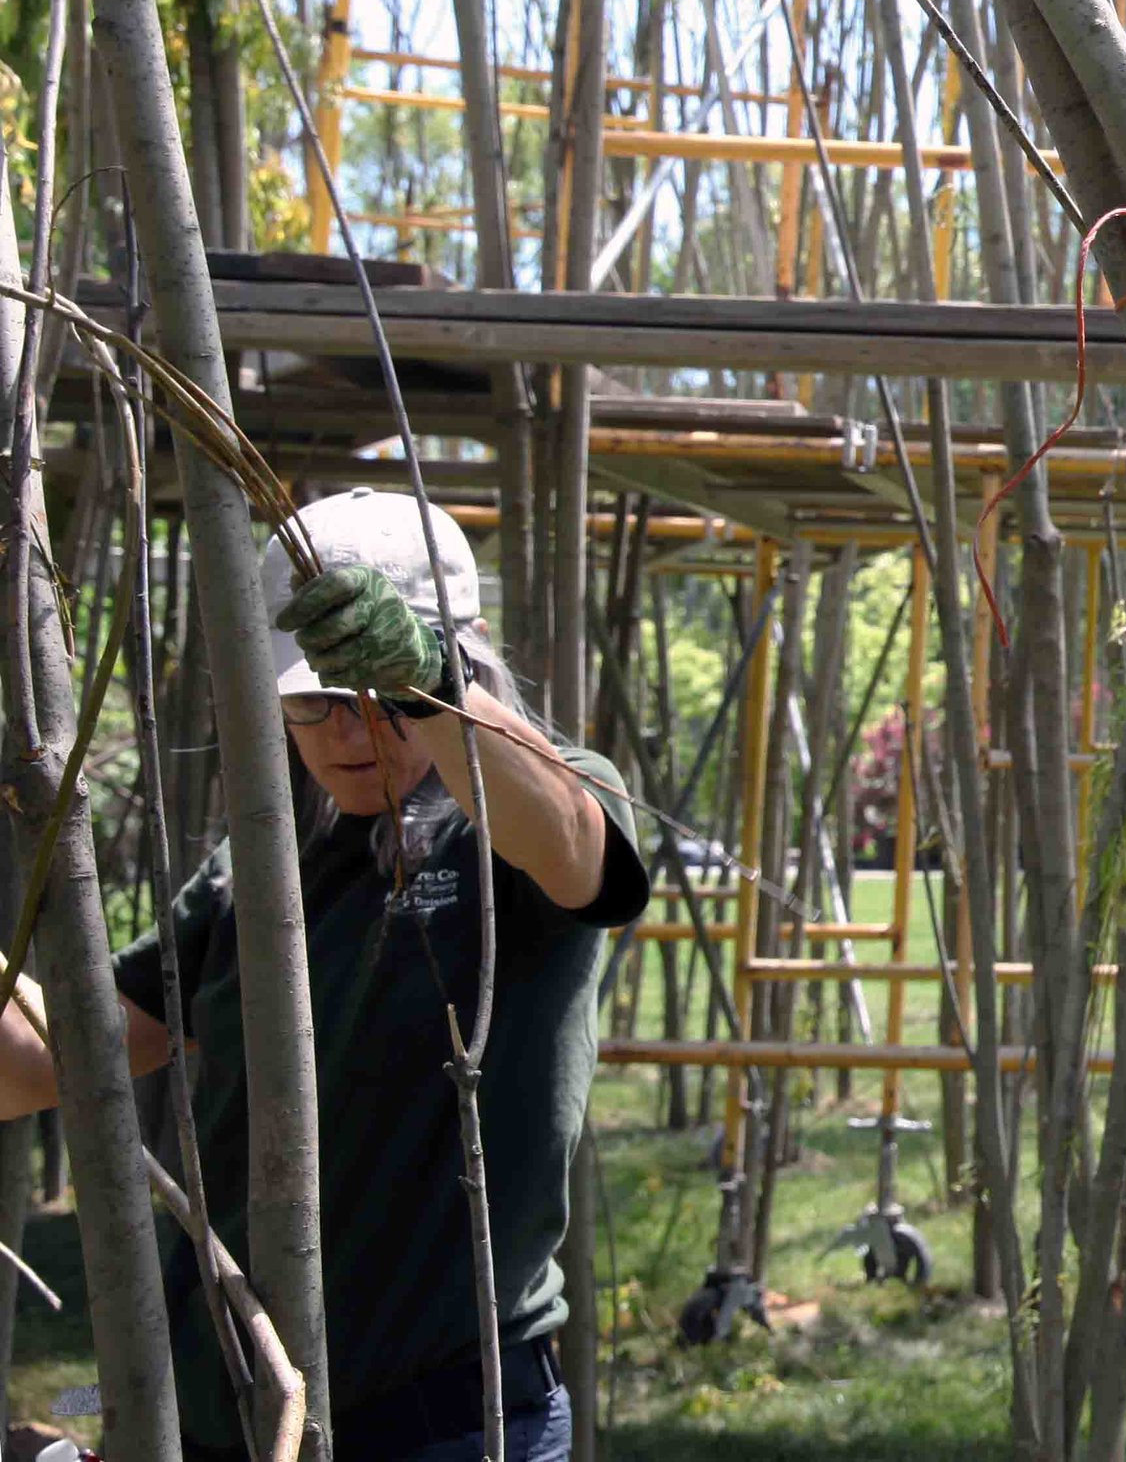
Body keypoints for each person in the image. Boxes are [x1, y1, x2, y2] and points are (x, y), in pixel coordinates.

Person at [0, 488, 650, 1460]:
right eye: (312, 704)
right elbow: (53, 1057)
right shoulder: (262, 865)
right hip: (238, 1416)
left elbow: (573, 847)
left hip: (448, 1423)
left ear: (462, 653)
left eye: (375, 703)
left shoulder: (516, 824)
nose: (348, 736)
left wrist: (427, 686)